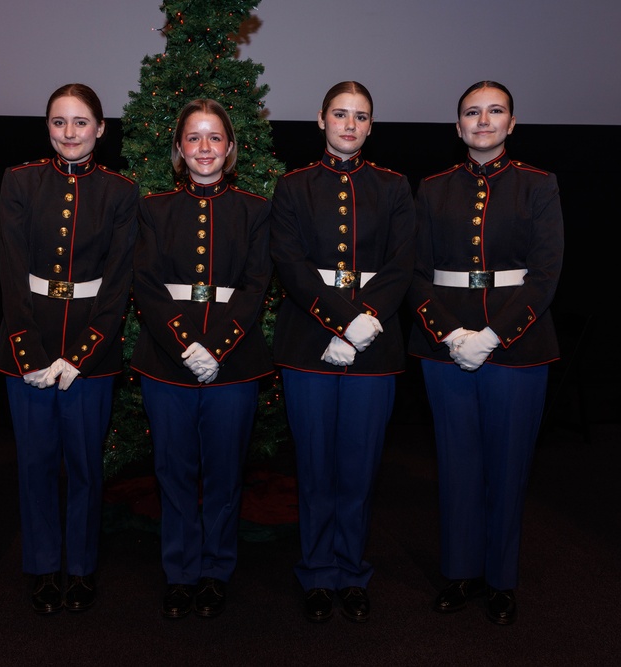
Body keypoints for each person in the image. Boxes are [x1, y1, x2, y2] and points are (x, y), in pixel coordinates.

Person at [408, 81, 564, 625]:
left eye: (494, 111)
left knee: (508, 466)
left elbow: (545, 276)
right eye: (472, 112)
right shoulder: (431, 189)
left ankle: (501, 579)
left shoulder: (538, 185)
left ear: (511, 123)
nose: (483, 120)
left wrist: (494, 335)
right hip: (444, 348)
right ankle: (461, 573)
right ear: (457, 127)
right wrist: (451, 335)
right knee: (456, 466)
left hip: (517, 349)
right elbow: (415, 272)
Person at [269, 81, 415, 623]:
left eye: (360, 116)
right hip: (308, 342)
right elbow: (290, 263)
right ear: (321, 119)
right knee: (314, 467)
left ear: (371, 126)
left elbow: (402, 264)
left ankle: (351, 570)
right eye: (340, 114)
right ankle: (315, 572)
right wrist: (338, 320)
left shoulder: (395, 187)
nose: (349, 125)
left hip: (375, 347)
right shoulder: (292, 186)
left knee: (358, 468)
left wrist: (360, 324)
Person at [0, 84, 138, 614]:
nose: (69, 133)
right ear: (47, 127)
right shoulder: (20, 181)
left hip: (90, 354)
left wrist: (80, 354)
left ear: (100, 128)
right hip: (25, 344)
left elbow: (118, 283)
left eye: (81, 123)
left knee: (83, 467)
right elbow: (10, 272)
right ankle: (40, 565)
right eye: (59, 122)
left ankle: (79, 566)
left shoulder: (121, 191)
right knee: (34, 466)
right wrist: (30, 352)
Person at [131, 99, 272, 619]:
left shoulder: (256, 210)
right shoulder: (153, 208)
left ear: (230, 148)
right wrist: (186, 342)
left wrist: (217, 346)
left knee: (224, 474)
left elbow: (256, 284)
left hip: (234, 364)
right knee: (173, 472)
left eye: (215, 138)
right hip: (166, 361)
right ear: (178, 149)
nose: (204, 148)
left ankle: (215, 569)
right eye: (194, 138)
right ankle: (180, 570)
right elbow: (144, 282)